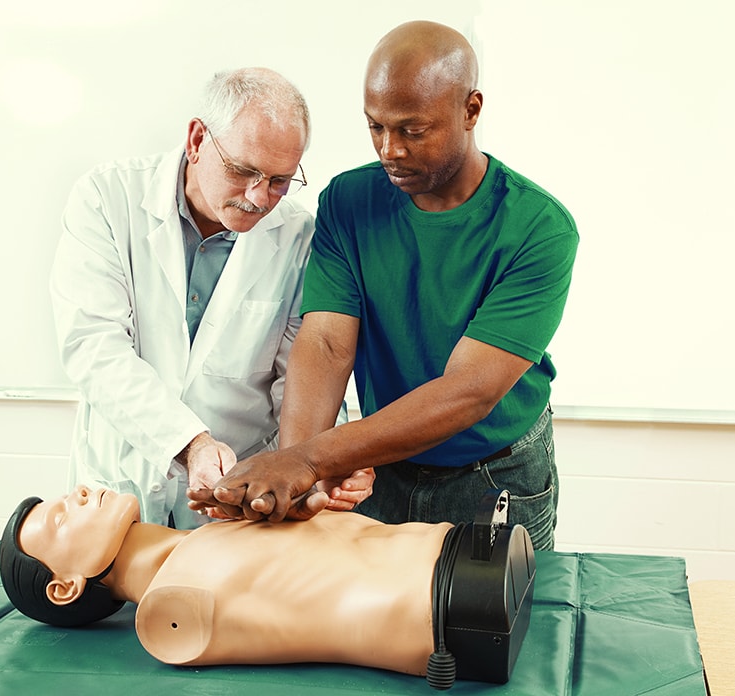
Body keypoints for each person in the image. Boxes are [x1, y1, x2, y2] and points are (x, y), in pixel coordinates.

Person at [189, 21, 579, 550]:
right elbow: (326, 345)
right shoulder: (348, 201)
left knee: (493, 608)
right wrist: (298, 476)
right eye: (375, 127)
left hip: (494, 475)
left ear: (470, 110)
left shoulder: (539, 227)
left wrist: (307, 459)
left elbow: (468, 391)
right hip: (378, 467)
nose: (390, 150)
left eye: (413, 131)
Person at [49, 67, 372, 529]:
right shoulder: (107, 199)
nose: (259, 197)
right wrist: (191, 444)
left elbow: (301, 377)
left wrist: (323, 460)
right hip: (121, 484)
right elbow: (93, 348)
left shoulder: (299, 236)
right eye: (243, 171)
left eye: (280, 181)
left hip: (240, 500)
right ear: (197, 140)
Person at [0, 484, 535, 688]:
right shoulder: (169, 615)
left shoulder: (202, 539)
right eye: (60, 519)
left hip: (462, 553)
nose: (80, 493)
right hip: (451, 605)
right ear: (65, 587)